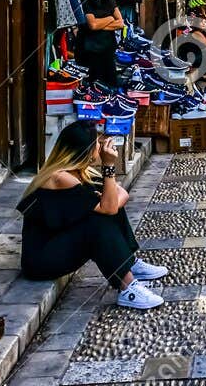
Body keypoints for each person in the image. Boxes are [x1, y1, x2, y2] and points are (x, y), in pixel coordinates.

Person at [16, 122, 168, 310]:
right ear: (86, 151)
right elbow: (110, 206)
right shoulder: (60, 177)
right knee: (98, 219)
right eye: (97, 142)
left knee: (107, 204)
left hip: (57, 245)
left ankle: (128, 262)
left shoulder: (80, 172)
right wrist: (109, 164)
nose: (101, 145)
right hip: (41, 262)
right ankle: (127, 288)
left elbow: (121, 195)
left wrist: (108, 200)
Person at [77, 0, 124, 86]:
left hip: (107, 48)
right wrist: (109, 18)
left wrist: (99, 23)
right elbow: (92, 25)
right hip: (90, 50)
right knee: (93, 86)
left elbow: (120, 23)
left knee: (110, 84)